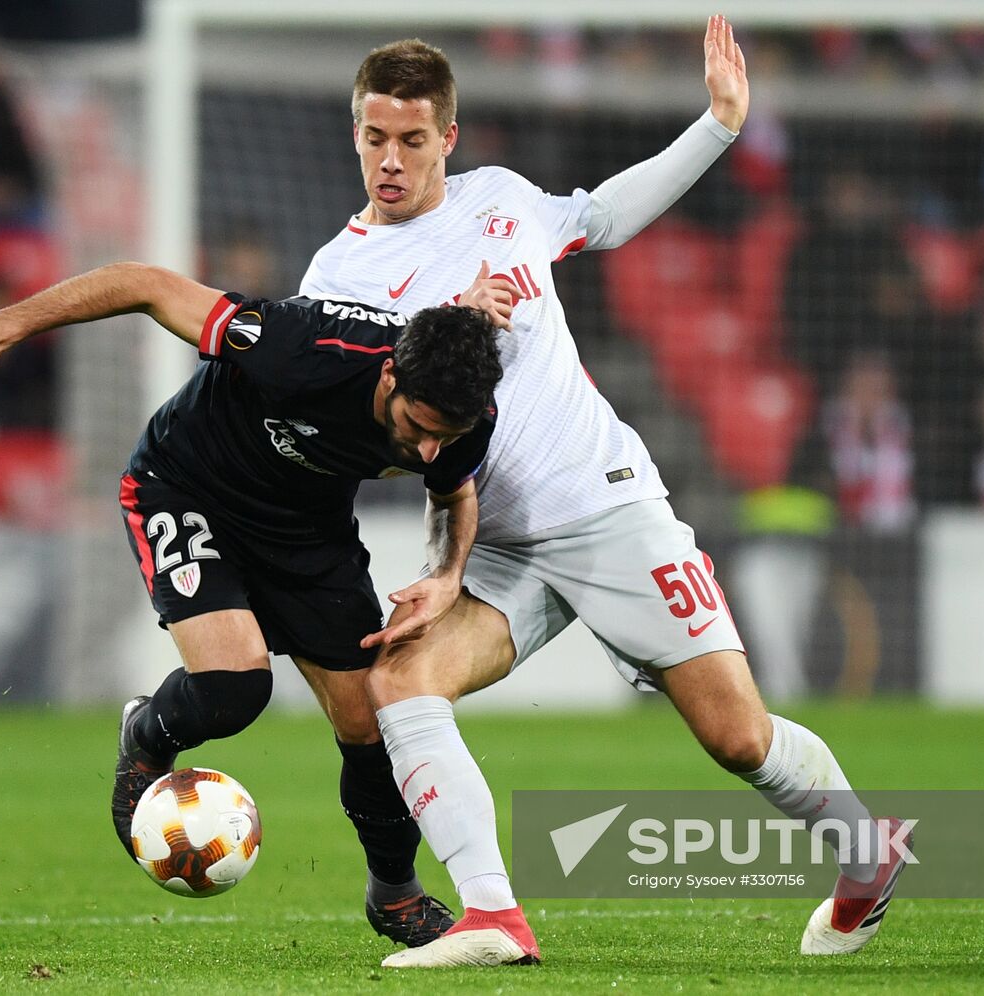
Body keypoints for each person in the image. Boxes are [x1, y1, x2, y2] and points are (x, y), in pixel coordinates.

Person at [300, 16, 911, 968]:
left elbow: (604, 217)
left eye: (412, 140)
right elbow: (372, 433)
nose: (390, 159)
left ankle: (868, 856)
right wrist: (445, 334)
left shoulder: (500, 199)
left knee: (738, 737)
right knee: (400, 682)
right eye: (374, 137)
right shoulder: (334, 278)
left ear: (447, 140)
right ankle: (494, 918)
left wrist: (717, 126)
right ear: (355, 133)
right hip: (491, 541)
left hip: (609, 505)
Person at [0, 260, 507, 947]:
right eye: (419, 425)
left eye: (447, 435)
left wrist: (445, 573)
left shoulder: (468, 417)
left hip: (308, 536)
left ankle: (394, 896)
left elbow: (453, 493)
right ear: (388, 377)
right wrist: (1, 325)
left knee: (372, 725)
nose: (429, 446)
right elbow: (146, 285)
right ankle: (146, 734)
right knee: (234, 688)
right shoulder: (303, 347)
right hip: (188, 488)